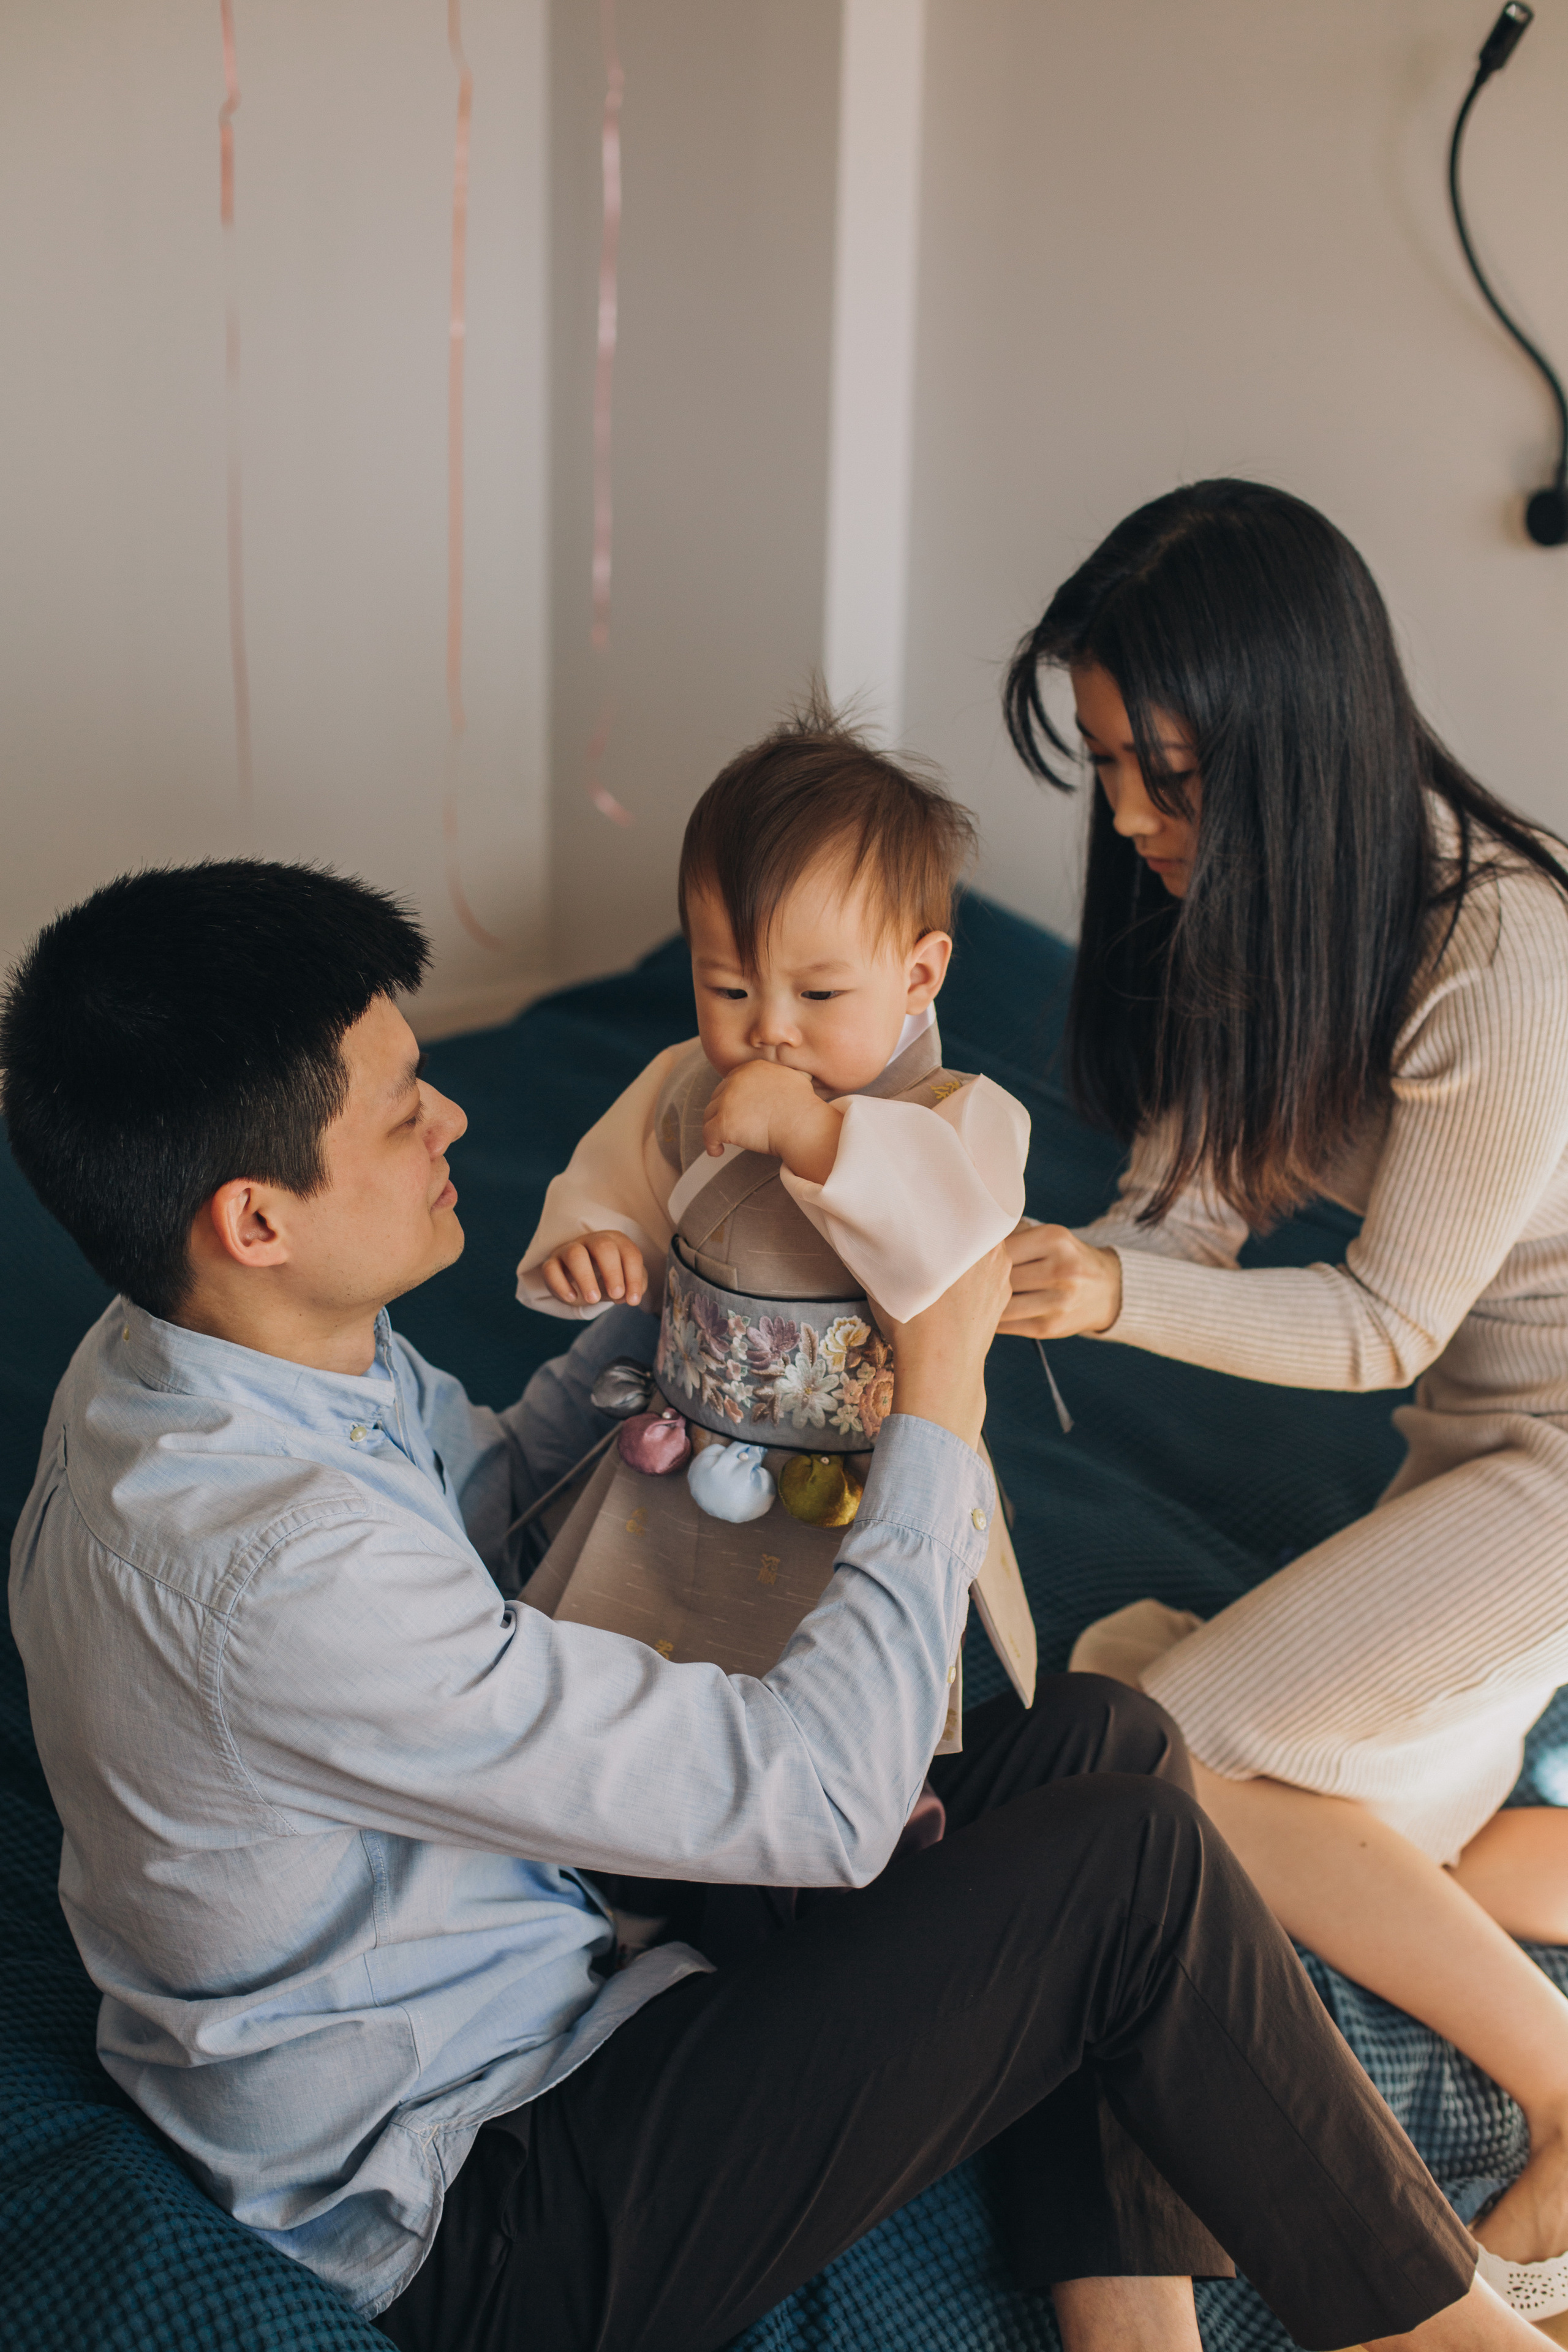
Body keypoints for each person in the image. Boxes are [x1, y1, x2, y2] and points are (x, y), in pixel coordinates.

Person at [0, 858, 1534, 2352]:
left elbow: (464, 1512)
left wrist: (650, 1344)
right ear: (253, 1219)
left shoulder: (202, 1353)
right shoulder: (268, 1568)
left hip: (553, 1971)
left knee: (1104, 1741)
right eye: (406, 1114)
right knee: (1125, 1868)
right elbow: (822, 1801)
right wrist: (937, 1390)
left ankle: (1125, 2328)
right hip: (488, 2193)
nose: (453, 1118)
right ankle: (1452, 2336)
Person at [1000, 476, 1568, 2318]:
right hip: (1470, 1455)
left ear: (1296, 736)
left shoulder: (1502, 949)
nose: (1132, 819)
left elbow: (1386, 1320)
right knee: (1114, 1719)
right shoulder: (1256, 907)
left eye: (1168, 772)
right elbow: (1179, 1216)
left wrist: (1100, 1297)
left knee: (1167, 1754)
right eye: (1101, 767)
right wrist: (999, 1267)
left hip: (1552, 1467)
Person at [514, 702, 1036, 1754]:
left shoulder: (963, 1116)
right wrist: (599, 1237)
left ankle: (828, 1838)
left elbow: (949, 1257)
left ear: (919, 975)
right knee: (635, 1651)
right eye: (730, 985)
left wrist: (813, 1135)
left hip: (845, 1489)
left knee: (827, 1690)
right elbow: (616, 1176)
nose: (769, 1027)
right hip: (688, 1456)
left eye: (820, 990)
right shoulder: (684, 1083)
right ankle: (623, 1826)